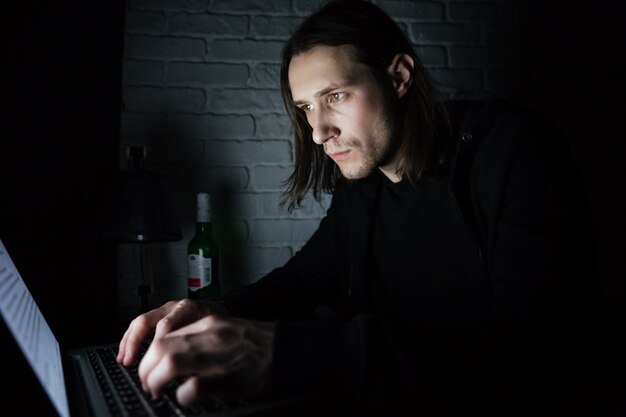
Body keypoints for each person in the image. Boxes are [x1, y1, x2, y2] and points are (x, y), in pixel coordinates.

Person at [117, 1, 598, 415]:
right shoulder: (363, 189)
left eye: (336, 96)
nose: (317, 130)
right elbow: (306, 277)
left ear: (399, 77)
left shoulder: (513, 152)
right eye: (305, 107)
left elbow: (531, 351)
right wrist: (208, 310)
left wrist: (283, 353)